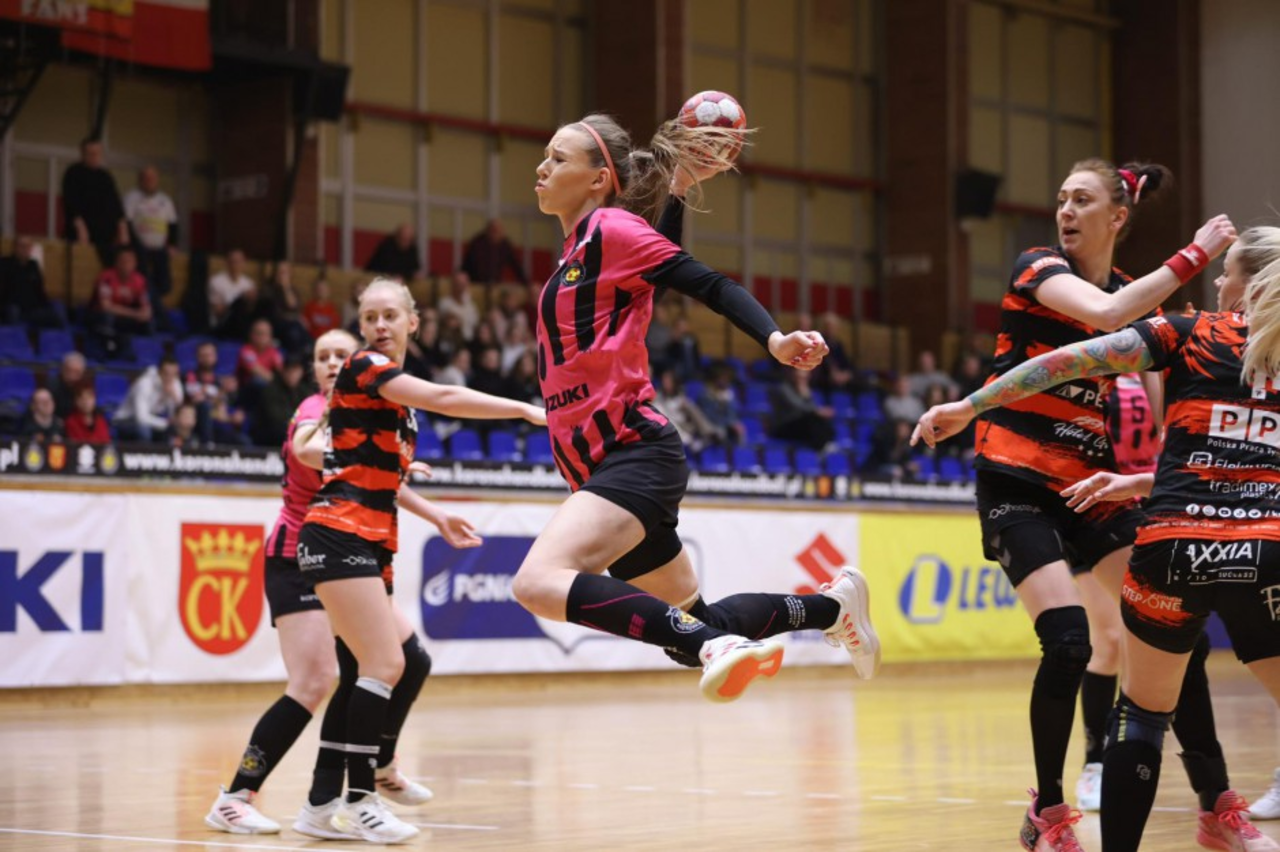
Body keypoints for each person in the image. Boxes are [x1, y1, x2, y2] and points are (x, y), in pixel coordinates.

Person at [911, 225, 1280, 852]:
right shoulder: (1052, 274)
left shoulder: (1186, 330)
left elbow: (1068, 362)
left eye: (1228, 273)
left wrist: (971, 404)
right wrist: (1139, 479)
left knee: (1142, 712)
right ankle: (1065, 805)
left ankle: (1191, 805)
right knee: (1078, 644)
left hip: (1168, 540)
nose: (1218, 281)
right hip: (1256, 550)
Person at [510, 112, 879, 708]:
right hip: (596, 464)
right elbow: (653, 272)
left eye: (557, 157)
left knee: (535, 583)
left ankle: (714, 645)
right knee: (693, 623)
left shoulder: (609, 227)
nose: (541, 166)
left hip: (631, 452)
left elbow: (707, 282)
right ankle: (830, 608)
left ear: (599, 178)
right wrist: (677, 193)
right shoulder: (582, 247)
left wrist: (774, 340)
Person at [292, 278, 543, 842]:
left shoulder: (398, 406)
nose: (379, 325)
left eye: (390, 315)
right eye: (370, 317)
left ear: (413, 321)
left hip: (371, 539)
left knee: (372, 668)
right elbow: (447, 398)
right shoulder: (365, 367)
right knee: (386, 664)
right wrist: (524, 410)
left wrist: (436, 516)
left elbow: (373, 471)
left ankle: (319, 806)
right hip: (338, 534)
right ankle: (363, 798)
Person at [206, 327, 482, 838]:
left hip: (348, 554)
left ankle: (351, 782)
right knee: (313, 682)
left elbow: (376, 477)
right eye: (322, 356)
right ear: (313, 369)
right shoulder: (315, 410)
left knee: (405, 659)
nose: (333, 362)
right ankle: (235, 797)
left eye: (341, 354)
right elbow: (310, 450)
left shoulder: (364, 409)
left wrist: (435, 512)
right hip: (300, 555)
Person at [1073, 371, 1163, 813]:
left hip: (1153, 503)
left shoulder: (1160, 361)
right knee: (1107, 640)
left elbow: (1164, 426)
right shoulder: (1089, 363)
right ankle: (1094, 762)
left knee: (1148, 641)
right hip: (1098, 509)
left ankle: (1142, 755)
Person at [61, 137, 128, 266]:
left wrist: (123, 228)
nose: (95, 157)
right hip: (82, 231)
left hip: (105, 234)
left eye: (97, 153)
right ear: (83, 154)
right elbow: (70, 203)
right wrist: (80, 227)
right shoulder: (73, 173)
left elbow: (116, 203)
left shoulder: (105, 176)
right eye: (91, 153)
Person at [124, 165, 179, 311]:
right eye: (146, 178)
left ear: (157, 180)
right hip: (139, 248)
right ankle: (151, 308)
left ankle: (152, 305)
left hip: (160, 248)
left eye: (152, 178)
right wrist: (134, 245)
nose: (149, 181)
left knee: (165, 285)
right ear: (140, 180)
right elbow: (127, 222)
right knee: (143, 282)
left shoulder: (166, 200)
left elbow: (173, 224)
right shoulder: (131, 197)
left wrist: (172, 244)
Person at [88, 247, 153, 359]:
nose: (127, 265)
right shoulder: (106, 277)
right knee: (107, 317)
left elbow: (147, 308)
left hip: (126, 317)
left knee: (149, 322)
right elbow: (106, 306)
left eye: (130, 261)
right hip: (101, 316)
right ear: (117, 263)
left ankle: (147, 354)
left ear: (135, 264)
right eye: (124, 261)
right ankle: (107, 351)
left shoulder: (140, 280)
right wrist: (134, 314)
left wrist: (144, 313)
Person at [114, 356, 184, 443]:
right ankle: (143, 452)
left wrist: (173, 397)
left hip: (152, 420)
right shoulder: (144, 383)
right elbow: (141, 418)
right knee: (144, 430)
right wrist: (166, 424)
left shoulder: (175, 382)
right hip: (126, 420)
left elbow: (177, 415)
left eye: (174, 374)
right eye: (166, 374)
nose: (169, 378)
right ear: (159, 372)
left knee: (175, 430)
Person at [0, 235, 62, 328]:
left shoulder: (33, 266)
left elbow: (40, 290)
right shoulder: (5, 264)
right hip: (13, 306)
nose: (25, 249)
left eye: (28, 246)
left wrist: (47, 305)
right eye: (22, 246)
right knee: (13, 311)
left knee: (57, 311)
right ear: (15, 247)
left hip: (32, 309)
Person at [461, 218, 528, 288]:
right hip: (476, 283)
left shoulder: (505, 245)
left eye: (497, 231)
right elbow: (466, 266)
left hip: (495, 284)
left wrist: (527, 284)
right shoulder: (477, 243)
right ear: (487, 231)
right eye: (493, 230)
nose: (495, 234)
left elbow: (517, 266)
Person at [210, 249, 257, 339]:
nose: (236, 265)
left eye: (240, 262)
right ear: (227, 263)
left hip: (244, 321)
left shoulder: (249, 283)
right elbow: (218, 311)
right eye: (234, 261)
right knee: (239, 304)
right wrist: (239, 299)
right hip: (223, 323)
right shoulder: (216, 281)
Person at [437, 270, 479, 340]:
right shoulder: (444, 303)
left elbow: (476, 325)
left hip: (471, 341)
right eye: (458, 284)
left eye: (464, 284)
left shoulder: (471, 305)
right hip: (452, 341)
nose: (461, 288)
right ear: (453, 285)